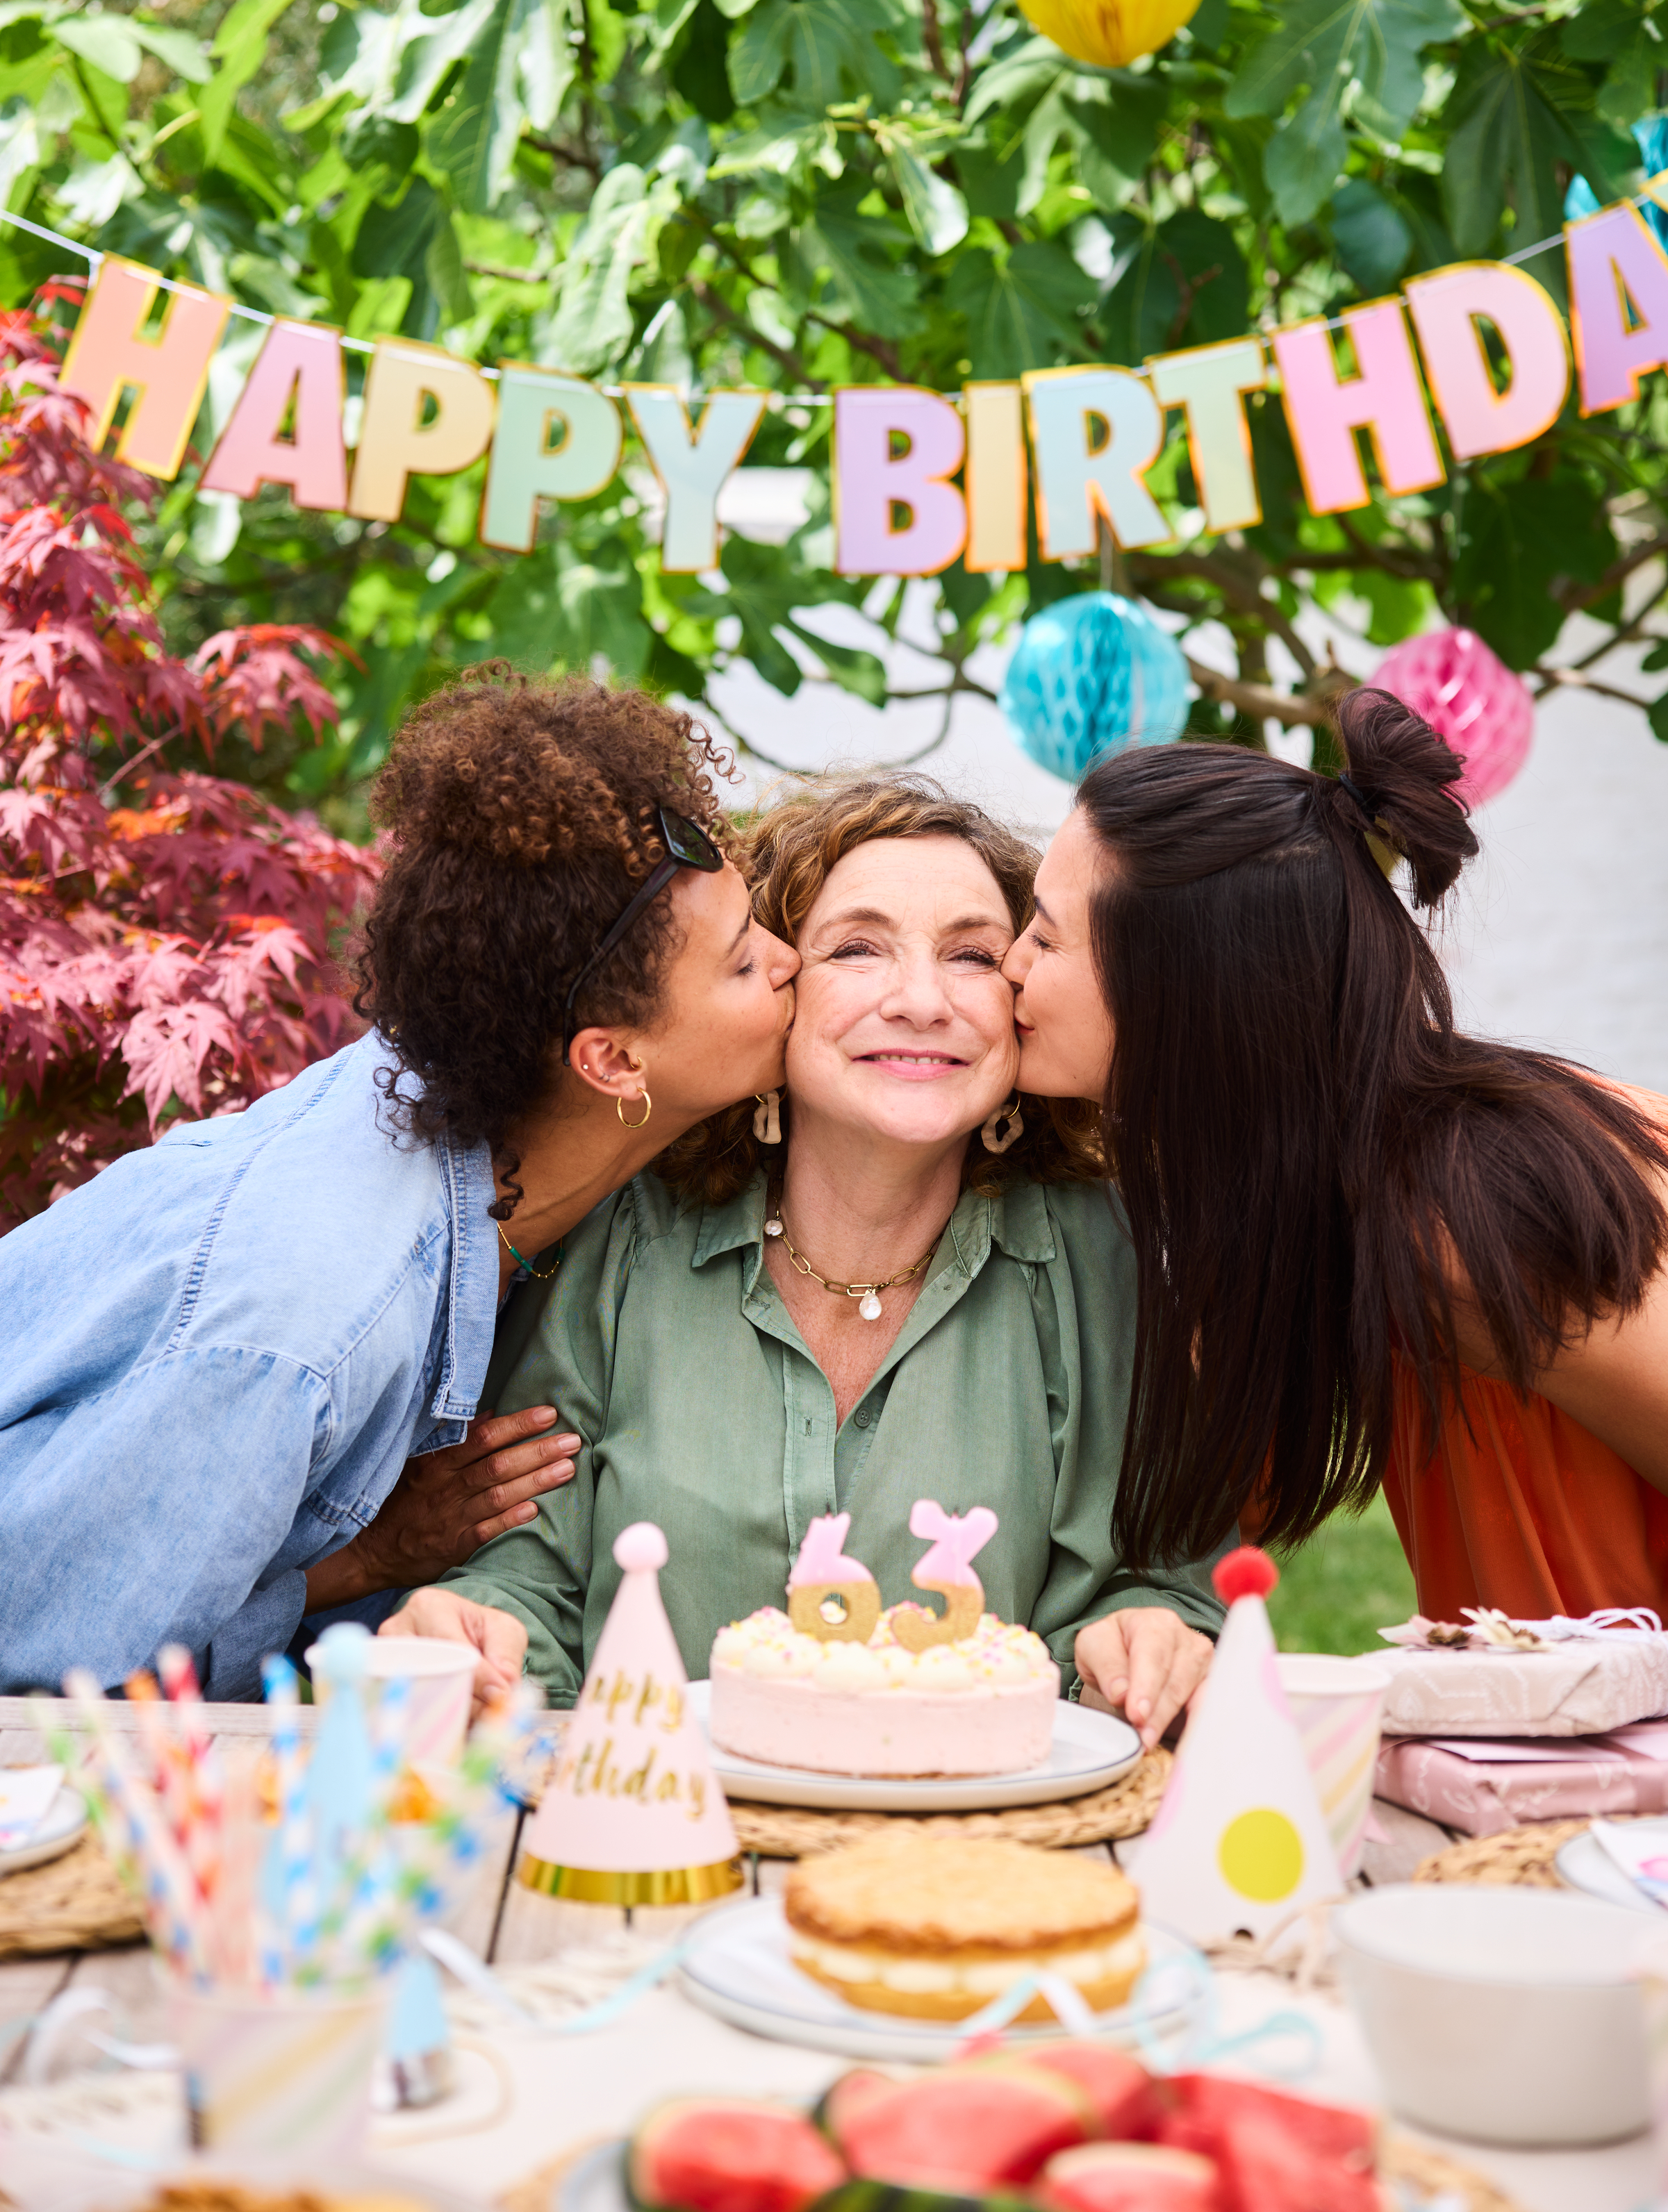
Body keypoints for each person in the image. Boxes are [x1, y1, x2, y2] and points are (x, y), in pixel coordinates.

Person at [0, 669, 797, 1699]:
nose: (789, 961)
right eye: (741, 964)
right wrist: (363, 1566)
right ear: (611, 1062)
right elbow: (65, 1682)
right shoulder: (306, 1324)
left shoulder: (486, 1122)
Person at [387, 776, 1225, 1748]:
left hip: (981, 1851)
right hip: (653, 1841)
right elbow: (525, 1573)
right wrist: (476, 1633)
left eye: (971, 955)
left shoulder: (1102, 1259)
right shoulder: (622, 1236)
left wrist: (1147, 1636)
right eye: (857, 949)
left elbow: (1161, 1582)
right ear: (774, 986)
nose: (920, 1001)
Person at [1004, 685, 1668, 1622]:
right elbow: (1228, 1499)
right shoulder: (1298, 1182)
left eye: (1043, 932)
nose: (1010, 966)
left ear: (1180, 992)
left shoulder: (1454, 1218)